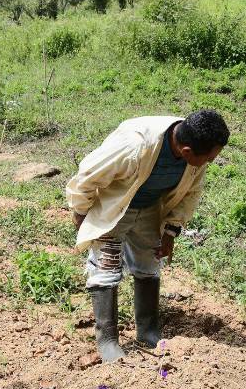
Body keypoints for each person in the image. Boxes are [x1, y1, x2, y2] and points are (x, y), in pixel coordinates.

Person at [66, 110, 230, 362]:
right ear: (186, 152)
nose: (210, 161)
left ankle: (148, 330)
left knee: (149, 264)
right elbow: (87, 175)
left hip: (151, 208)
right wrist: (80, 212)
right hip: (114, 207)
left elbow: (191, 194)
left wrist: (171, 230)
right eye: (209, 157)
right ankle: (107, 340)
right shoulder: (134, 146)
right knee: (106, 267)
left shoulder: (196, 146)